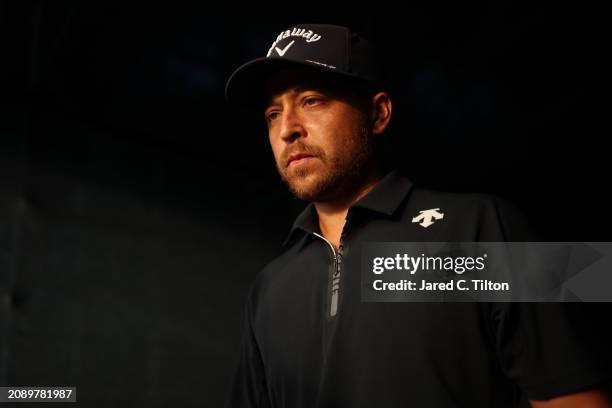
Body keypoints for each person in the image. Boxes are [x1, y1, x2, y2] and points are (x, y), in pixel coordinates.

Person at [223, 24, 611, 407]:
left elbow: (578, 395)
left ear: (378, 113)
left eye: (312, 100)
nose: (287, 129)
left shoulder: (484, 226)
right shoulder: (269, 287)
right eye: (273, 114)